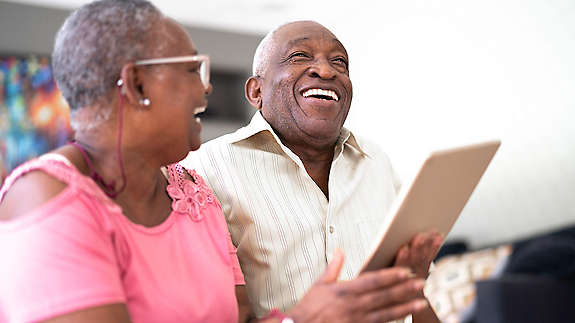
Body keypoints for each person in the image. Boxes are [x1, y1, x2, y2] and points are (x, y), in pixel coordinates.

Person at [0, 3, 431, 323]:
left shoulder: (193, 194)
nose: (205, 90)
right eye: (191, 70)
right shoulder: (45, 195)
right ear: (136, 84)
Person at [183, 20, 443, 322]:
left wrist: (412, 285)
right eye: (299, 56)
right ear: (256, 91)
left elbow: (412, 298)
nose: (327, 71)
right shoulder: (203, 171)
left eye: (339, 62)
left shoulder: (377, 162)